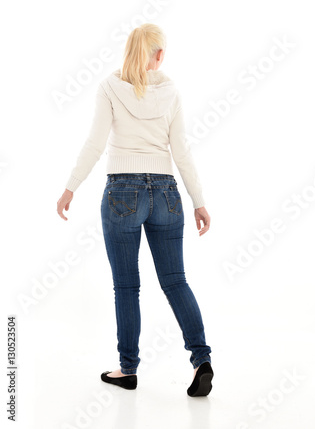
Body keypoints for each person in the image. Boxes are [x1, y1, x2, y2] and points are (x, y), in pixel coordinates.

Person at [57, 23, 213, 396]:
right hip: (167, 193)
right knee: (176, 281)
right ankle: (202, 360)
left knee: (127, 287)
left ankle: (127, 370)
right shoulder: (171, 92)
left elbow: (95, 143)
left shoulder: (109, 88)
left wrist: (70, 187)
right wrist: (199, 201)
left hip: (122, 192)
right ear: (158, 55)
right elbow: (183, 152)